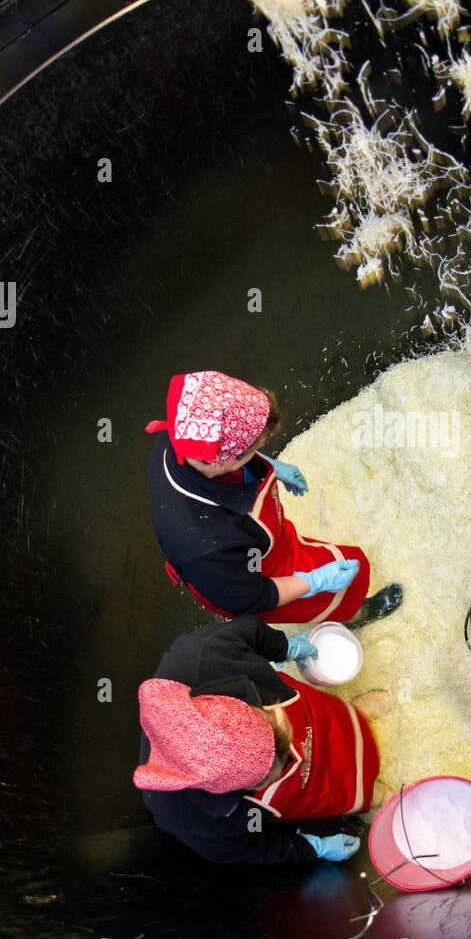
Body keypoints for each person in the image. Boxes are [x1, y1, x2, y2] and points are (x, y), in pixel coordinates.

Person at [146, 370, 402, 628]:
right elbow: (256, 597)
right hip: (252, 578)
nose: (259, 453)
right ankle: (358, 614)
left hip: (269, 547)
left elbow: (231, 450)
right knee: (338, 591)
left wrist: (273, 466)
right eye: (254, 451)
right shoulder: (208, 549)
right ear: (222, 461)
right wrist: (315, 582)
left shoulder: (185, 432)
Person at [134, 615, 392, 865]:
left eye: (274, 722)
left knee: (330, 716)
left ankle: (354, 714)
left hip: (312, 714)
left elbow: (250, 631)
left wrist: (285, 647)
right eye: (270, 776)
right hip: (306, 793)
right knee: (373, 797)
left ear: (242, 705)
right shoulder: (186, 817)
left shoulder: (202, 655)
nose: (297, 757)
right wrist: (310, 848)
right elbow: (250, 848)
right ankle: (376, 797)